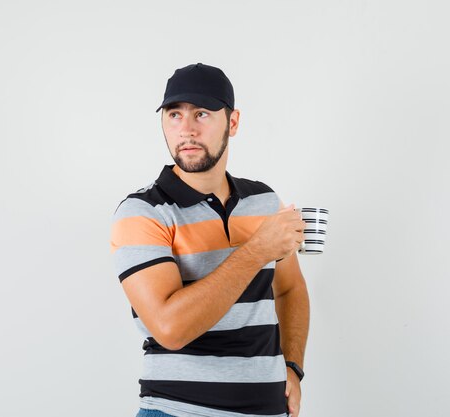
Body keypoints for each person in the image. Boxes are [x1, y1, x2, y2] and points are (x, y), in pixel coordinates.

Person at [110, 63, 310, 417]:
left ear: (232, 123)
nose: (186, 129)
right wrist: (258, 249)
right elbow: (171, 329)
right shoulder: (143, 212)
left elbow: (290, 288)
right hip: (176, 410)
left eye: (201, 114)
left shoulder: (263, 202)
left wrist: (293, 367)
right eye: (174, 115)